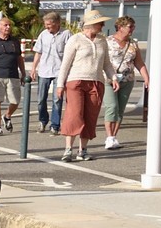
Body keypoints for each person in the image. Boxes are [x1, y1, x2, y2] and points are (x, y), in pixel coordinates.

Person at [54, 9, 117, 162]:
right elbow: (65, 64)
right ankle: (68, 149)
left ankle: (83, 150)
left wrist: (113, 77)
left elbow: (106, 63)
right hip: (76, 81)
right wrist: (60, 84)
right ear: (90, 24)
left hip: (96, 82)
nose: (102, 25)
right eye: (100, 23)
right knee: (74, 114)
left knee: (91, 115)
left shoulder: (102, 40)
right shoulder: (75, 39)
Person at [102, 15, 148, 150]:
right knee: (112, 107)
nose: (132, 29)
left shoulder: (133, 44)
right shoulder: (107, 42)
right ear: (120, 27)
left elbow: (139, 63)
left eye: (133, 27)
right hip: (108, 79)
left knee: (120, 110)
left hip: (127, 80)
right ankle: (109, 137)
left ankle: (114, 137)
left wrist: (147, 78)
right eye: (130, 26)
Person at [32, 11, 68, 133]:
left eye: (49, 24)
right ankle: (43, 120)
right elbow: (38, 52)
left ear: (57, 23)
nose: (47, 27)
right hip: (44, 70)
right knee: (41, 99)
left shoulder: (66, 34)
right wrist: (33, 68)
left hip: (59, 71)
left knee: (57, 100)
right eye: (45, 24)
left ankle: (55, 125)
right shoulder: (43, 34)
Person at [0, 15, 23, 135]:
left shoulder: (15, 42)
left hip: (12, 75)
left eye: (9, 25)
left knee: (15, 101)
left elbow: (19, 58)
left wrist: (23, 73)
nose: (8, 27)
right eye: (5, 25)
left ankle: (7, 116)